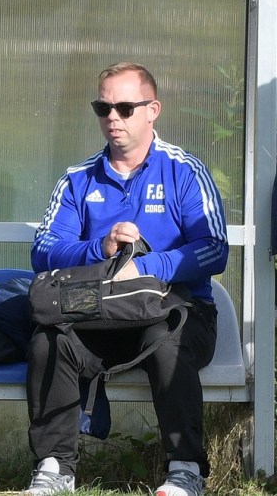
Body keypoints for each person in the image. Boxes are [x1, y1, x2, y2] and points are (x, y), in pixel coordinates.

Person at [24, 62, 228, 496]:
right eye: (103, 108)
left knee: (168, 340)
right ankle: (55, 468)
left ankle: (185, 470)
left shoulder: (185, 170)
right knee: (49, 340)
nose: (112, 117)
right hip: (99, 310)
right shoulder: (77, 178)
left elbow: (214, 249)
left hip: (175, 311)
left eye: (124, 107)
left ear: (153, 110)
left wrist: (147, 268)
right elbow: (43, 250)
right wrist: (101, 248)